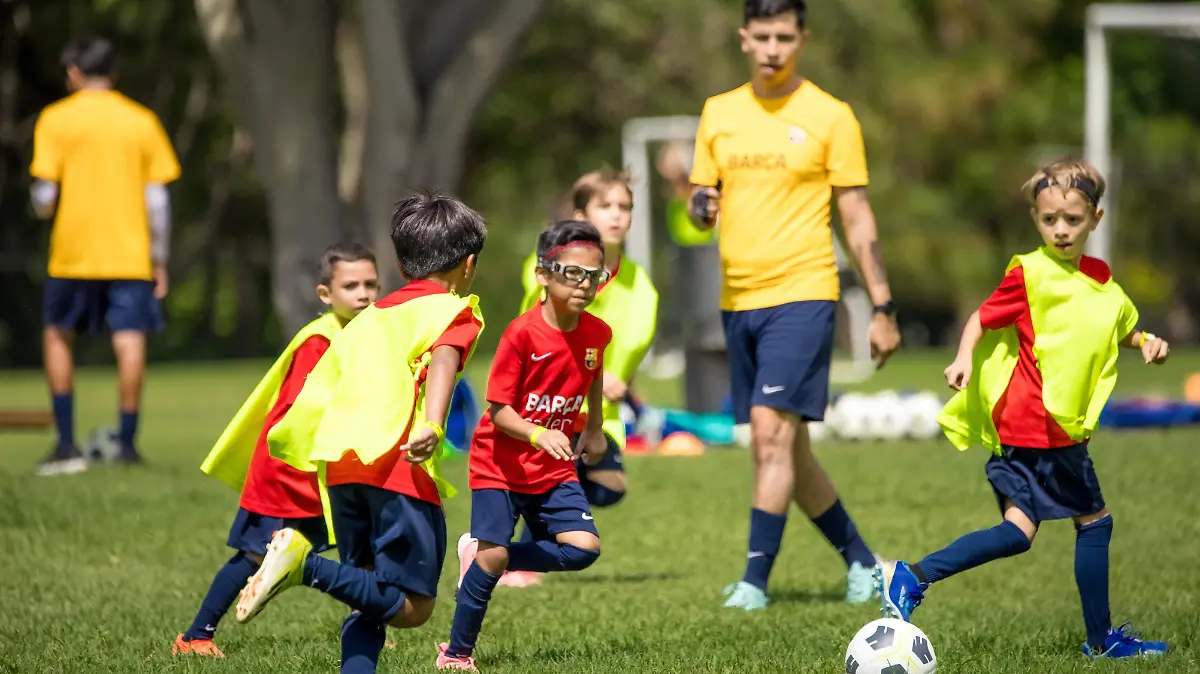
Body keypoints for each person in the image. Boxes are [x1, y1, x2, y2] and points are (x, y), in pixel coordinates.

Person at [878, 160, 1170, 660]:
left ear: (1095, 219)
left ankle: (913, 576)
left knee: (1017, 533)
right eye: (1049, 219)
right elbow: (982, 318)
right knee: (1094, 522)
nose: (1060, 230)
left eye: (1072, 220)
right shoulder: (1029, 273)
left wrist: (1144, 340)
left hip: (1034, 429)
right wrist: (963, 356)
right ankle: (1102, 643)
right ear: (1035, 217)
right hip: (1041, 425)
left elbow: (1111, 327)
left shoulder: (1100, 279)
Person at [688, 0, 901, 609]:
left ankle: (755, 583)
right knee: (788, 448)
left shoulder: (831, 116)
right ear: (744, 40)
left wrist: (883, 307)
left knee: (769, 439)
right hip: (739, 301)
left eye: (785, 36)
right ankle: (862, 561)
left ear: (802, 39)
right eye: (763, 37)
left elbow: (857, 216)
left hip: (804, 294)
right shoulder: (718, 113)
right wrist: (700, 206)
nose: (774, 48)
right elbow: (703, 201)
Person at [231, 191, 487, 674]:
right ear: (468, 264)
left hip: (341, 468)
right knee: (413, 608)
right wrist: (433, 423)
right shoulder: (454, 310)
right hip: (398, 468)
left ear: (400, 261)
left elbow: (324, 384)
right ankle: (304, 566)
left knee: (366, 596)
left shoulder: (368, 318)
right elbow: (444, 362)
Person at [172, 243, 379, 657]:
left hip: (324, 471)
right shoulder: (318, 341)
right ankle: (196, 636)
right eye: (350, 285)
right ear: (325, 294)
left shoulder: (361, 335)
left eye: (371, 284)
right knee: (254, 554)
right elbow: (301, 413)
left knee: (363, 552)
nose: (363, 294)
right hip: (287, 473)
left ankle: (368, 629)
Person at [437, 220, 612, 671]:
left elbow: (592, 377)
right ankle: (457, 655)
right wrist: (538, 432)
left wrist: (594, 429)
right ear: (543, 274)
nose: (585, 285)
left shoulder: (598, 333)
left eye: (595, 275)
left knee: (582, 549)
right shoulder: (522, 334)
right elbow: (498, 411)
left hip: (552, 466)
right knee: (494, 557)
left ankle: (484, 558)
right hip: (499, 462)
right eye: (573, 274)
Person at [29, 36, 181, 474]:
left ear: (74, 72)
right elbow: (157, 201)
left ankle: (65, 443)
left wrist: (44, 207)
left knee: (58, 334)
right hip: (130, 252)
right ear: (113, 72)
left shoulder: (56, 118)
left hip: (72, 252)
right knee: (129, 340)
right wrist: (159, 257)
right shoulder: (141, 120)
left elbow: (44, 193)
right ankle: (128, 444)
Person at [502, 170, 658, 588]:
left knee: (611, 488)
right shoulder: (547, 272)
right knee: (547, 480)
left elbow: (624, 350)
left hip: (596, 416)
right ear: (580, 215)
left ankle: (516, 543)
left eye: (624, 207)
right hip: (541, 408)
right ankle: (515, 560)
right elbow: (545, 331)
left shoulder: (642, 286)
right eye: (604, 206)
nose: (617, 216)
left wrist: (618, 381)